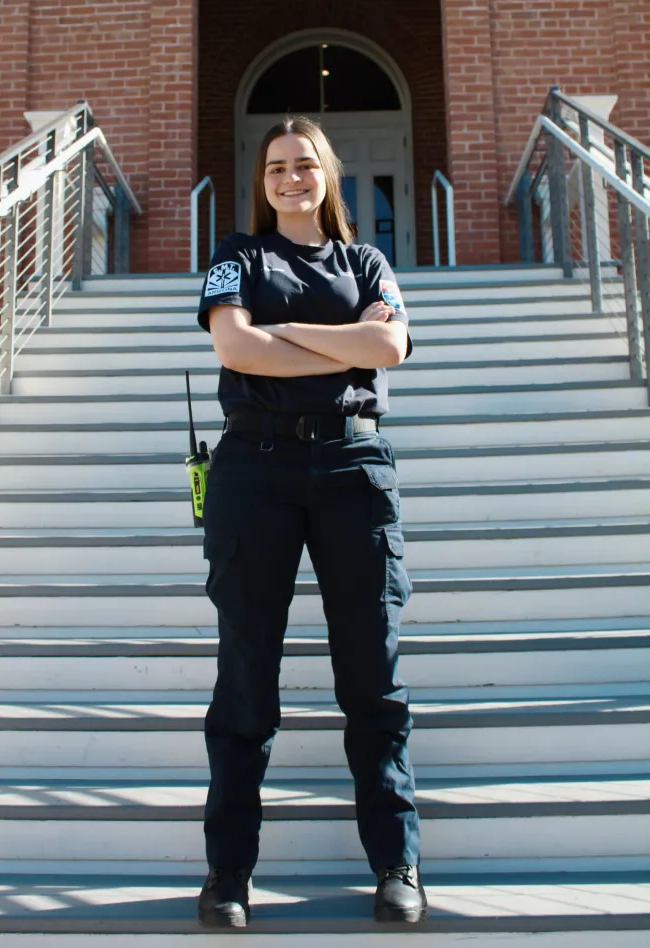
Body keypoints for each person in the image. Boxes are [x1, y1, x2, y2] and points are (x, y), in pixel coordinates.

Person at [195, 116, 425, 929]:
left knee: (373, 676)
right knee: (247, 679)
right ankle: (228, 875)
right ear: (262, 182)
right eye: (276, 167)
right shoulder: (237, 256)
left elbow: (390, 346)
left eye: (304, 164)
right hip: (254, 470)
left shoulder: (368, 260)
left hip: (353, 468)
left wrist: (283, 333)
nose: (291, 177)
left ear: (328, 174)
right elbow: (236, 351)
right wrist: (341, 346)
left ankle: (397, 864)